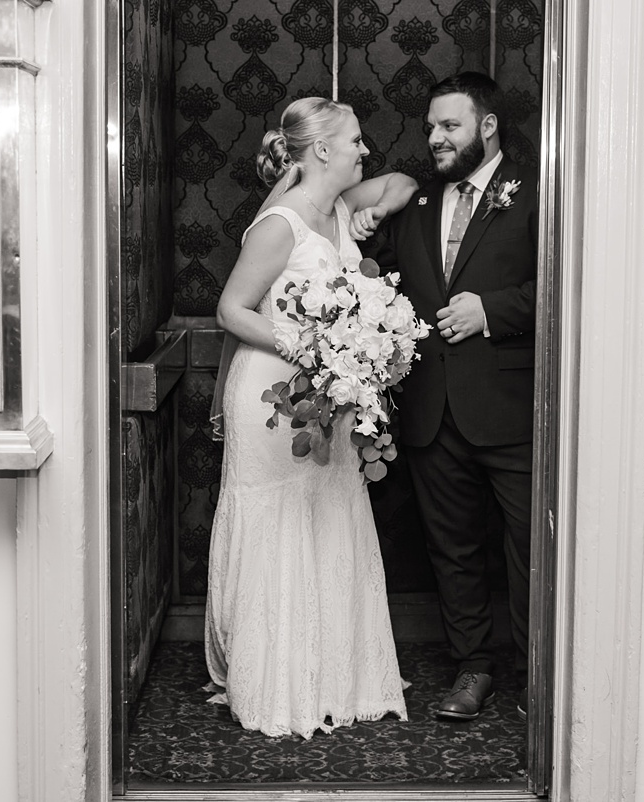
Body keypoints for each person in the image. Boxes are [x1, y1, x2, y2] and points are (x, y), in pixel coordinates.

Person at [206, 97, 419, 739]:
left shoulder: (343, 212)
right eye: (356, 140)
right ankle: (274, 682)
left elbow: (408, 183)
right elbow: (232, 310)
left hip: (328, 397)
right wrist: (315, 346)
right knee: (281, 518)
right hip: (274, 399)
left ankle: (331, 676)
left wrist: (376, 210)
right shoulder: (281, 224)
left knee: (329, 513)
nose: (366, 149)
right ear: (322, 149)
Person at [370, 72, 537, 721]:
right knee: (453, 551)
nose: (435, 138)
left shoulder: (535, 193)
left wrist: (491, 310)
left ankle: (533, 676)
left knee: (527, 549)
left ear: (486, 126)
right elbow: (384, 281)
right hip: (431, 411)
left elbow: (568, 285)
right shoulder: (415, 205)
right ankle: (473, 670)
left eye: (450, 126)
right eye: (431, 127)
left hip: (511, 411)